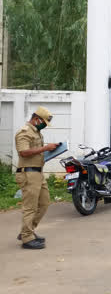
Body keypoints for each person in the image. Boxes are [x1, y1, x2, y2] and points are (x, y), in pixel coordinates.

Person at [15, 106, 58, 250]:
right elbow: (23, 152)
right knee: (30, 207)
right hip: (28, 174)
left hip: (38, 173)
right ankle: (27, 238)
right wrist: (45, 148)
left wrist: (53, 150)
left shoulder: (37, 133)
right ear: (36, 119)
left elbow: (36, 152)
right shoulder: (24, 132)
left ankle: (28, 231)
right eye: (44, 122)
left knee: (44, 203)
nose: (45, 125)